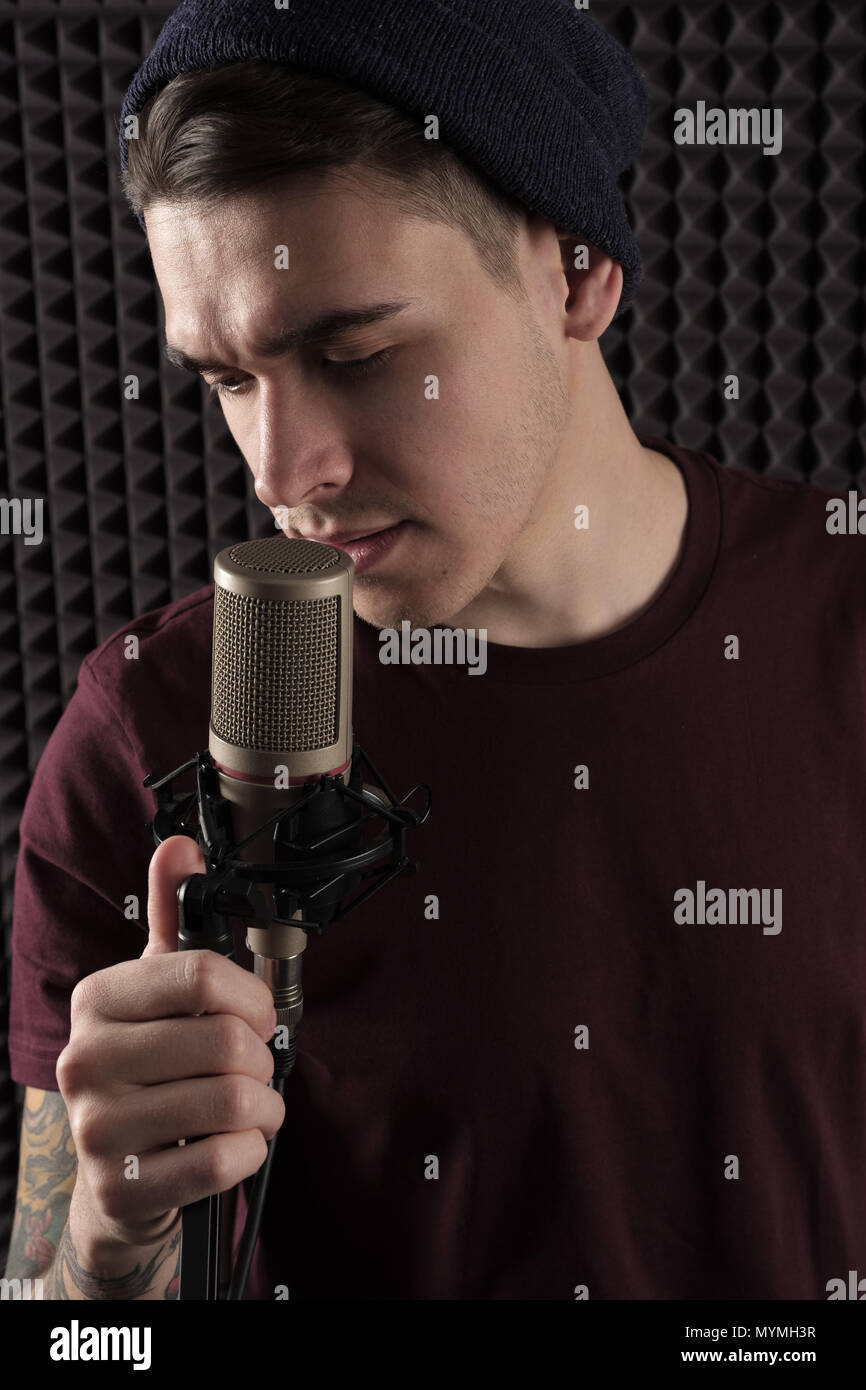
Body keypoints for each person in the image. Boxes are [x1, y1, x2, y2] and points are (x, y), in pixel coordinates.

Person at [6, 0, 866, 1302]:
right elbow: (58, 1329)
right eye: (226, 380)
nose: (282, 476)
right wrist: (103, 1260)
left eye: (354, 352)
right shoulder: (147, 727)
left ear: (574, 270)